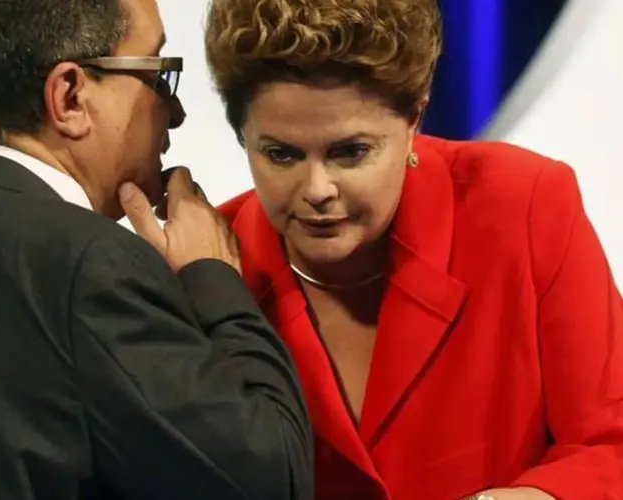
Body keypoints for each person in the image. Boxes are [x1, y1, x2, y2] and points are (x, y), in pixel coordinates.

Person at [0, 0, 314, 499]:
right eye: (156, 74)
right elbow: (274, 478)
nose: (176, 113)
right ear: (70, 97)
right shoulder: (89, 265)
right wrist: (212, 275)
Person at [205, 0, 623, 498]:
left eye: (350, 152)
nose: (317, 189)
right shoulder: (212, 269)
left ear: (415, 119)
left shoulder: (525, 205)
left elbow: (610, 441)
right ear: (241, 136)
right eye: (281, 154)